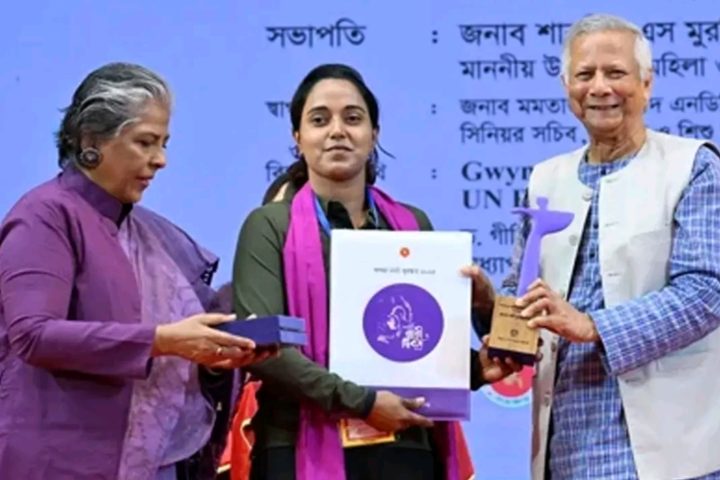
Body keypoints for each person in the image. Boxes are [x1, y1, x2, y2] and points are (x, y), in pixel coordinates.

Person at [232, 63, 519, 480]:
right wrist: (363, 402)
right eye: (318, 120)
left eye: (353, 118)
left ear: (374, 134)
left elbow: (418, 351)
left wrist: (475, 369)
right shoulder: (269, 227)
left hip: (405, 448)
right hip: (298, 448)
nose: (337, 130)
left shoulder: (412, 225)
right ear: (298, 138)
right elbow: (266, 350)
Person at [0, 62, 272, 480]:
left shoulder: (148, 232)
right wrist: (163, 340)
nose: (160, 160)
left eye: (163, 143)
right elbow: (34, 334)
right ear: (92, 141)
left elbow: (177, 345)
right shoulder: (44, 215)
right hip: (60, 460)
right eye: (145, 142)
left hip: (152, 461)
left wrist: (217, 356)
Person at [500, 14, 720, 480]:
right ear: (567, 86)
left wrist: (590, 325)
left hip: (667, 450)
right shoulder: (545, 178)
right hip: (566, 444)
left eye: (615, 72)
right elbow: (523, 293)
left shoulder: (693, 166)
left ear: (646, 82)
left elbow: (706, 290)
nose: (599, 87)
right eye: (585, 74)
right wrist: (490, 307)